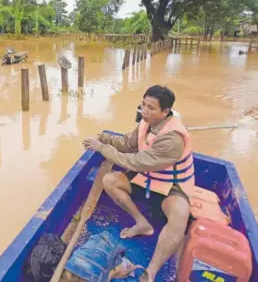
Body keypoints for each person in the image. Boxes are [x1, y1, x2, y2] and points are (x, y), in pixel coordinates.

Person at [82, 85, 194, 282]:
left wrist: (102, 148)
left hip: (171, 185)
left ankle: (150, 271)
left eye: (150, 107)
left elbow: (133, 161)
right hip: (146, 178)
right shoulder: (147, 122)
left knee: (179, 216)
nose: (144, 111)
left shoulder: (173, 139)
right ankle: (142, 223)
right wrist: (103, 138)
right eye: (143, 104)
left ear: (165, 111)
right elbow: (128, 144)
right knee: (109, 180)